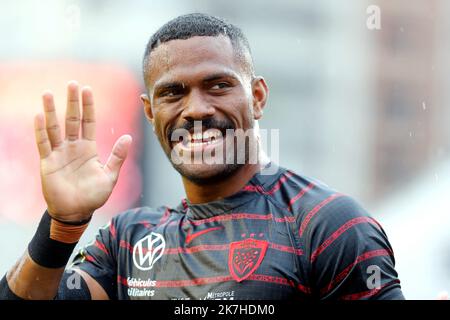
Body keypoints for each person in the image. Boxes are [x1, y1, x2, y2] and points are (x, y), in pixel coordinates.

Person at [0, 13, 404, 300]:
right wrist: (62, 223)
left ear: (258, 96)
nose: (196, 109)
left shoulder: (326, 225)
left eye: (218, 85)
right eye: (172, 93)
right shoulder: (129, 240)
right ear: (149, 112)